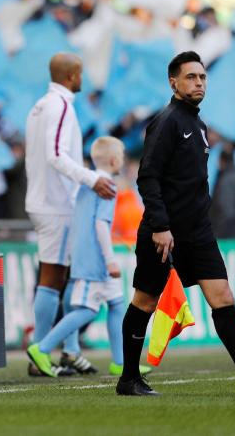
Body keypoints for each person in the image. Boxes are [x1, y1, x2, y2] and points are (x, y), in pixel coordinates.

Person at [118, 51, 235, 396]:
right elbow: (147, 177)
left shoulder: (198, 124)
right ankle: (129, 378)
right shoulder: (166, 122)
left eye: (202, 77)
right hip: (162, 233)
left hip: (197, 232)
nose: (198, 82)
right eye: (191, 77)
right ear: (174, 82)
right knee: (145, 301)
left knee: (223, 295)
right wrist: (161, 225)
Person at [24, 53, 117, 377]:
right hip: (56, 204)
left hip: (42, 199)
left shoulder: (39, 106)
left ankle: (70, 351)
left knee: (63, 277)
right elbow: (55, 155)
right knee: (54, 278)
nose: (84, 79)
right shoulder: (61, 106)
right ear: (72, 75)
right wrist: (92, 178)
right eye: (81, 74)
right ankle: (41, 354)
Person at [27, 137, 150, 377]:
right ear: (115, 160)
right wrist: (109, 259)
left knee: (116, 304)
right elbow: (100, 226)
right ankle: (41, 348)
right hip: (95, 261)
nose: (123, 162)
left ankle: (121, 362)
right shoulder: (108, 186)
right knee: (86, 311)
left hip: (87, 256)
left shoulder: (85, 185)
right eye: (122, 157)